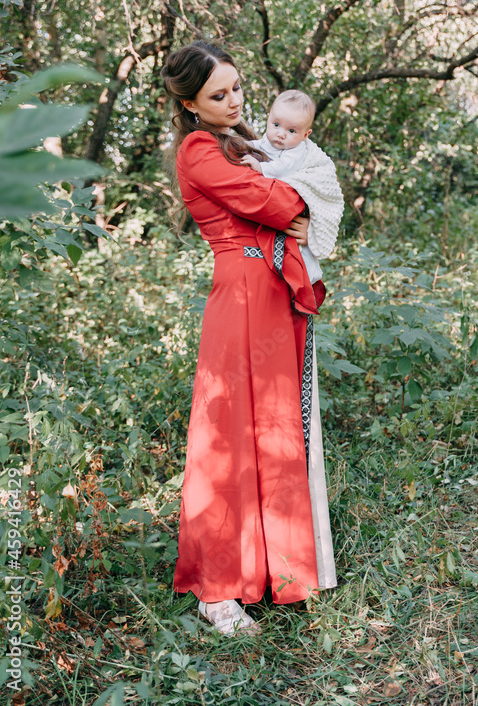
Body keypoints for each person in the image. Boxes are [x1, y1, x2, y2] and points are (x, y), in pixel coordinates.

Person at [161, 41, 337, 637]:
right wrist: (292, 202)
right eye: (218, 94)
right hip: (238, 296)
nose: (234, 101)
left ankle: (270, 571)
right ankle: (218, 591)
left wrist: (299, 205)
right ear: (190, 103)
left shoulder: (242, 143)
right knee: (229, 434)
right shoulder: (197, 149)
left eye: (237, 88)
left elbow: (301, 194)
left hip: (271, 290)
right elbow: (274, 199)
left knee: (275, 428)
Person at [241, 89, 344, 285]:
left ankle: (307, 275)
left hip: (298, 206)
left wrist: (260, 167)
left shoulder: (296, 150)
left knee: (300, 252)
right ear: (269, 117)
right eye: (276, 124)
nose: (280, 134)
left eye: (291, 131)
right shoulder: (269, 141)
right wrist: (239, 145)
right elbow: (257, 145)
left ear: (306, 134)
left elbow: (283, 168)